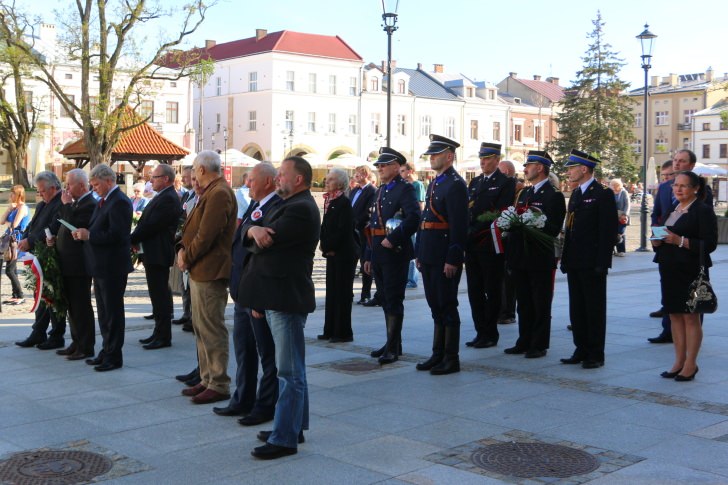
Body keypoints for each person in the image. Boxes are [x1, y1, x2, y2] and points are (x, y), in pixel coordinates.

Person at [238, 156, 321, 460]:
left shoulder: (300, 208)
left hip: (285, 297)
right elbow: (250, 231)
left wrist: (255, 232)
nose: (278, 180)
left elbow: (266, 241)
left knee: (289, 372)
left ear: (298, 179)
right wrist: (251, 231)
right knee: (292, 368)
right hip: (277, 295)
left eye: (283, 175)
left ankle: (285, 437)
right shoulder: (288, 205)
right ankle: (294, 425)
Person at [214, 162, 280, 423]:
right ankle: (243, 398)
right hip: (242, 289)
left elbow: (265, 252)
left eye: (252, 180)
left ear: (267, 181)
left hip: (257, 293)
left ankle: (264, 407)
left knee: (267, 353)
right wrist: (250, 229)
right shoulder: (257, 205)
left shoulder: (275, 206)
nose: (247, 184)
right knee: (244, 348)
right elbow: (241, 232)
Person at [177, 150, 237, 403]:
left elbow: (206, 235)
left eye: (194, 169)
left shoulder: (220, 192)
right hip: (201, 269)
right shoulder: (210, 191)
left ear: (201, 169)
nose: (193, 175)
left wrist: (186, 256)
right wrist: (183, 249)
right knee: (200, 327)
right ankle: (206, 378)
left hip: (210, 270)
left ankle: (219, 382)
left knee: (211, 327)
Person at [652, 171, 717, 381]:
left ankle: (691, 364)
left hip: (690, 269)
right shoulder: (674, 208)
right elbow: (667, 233)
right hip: (669, 268)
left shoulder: (702, 210)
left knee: (690, 317)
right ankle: (678, 361)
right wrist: (657, 239)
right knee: (674, 316)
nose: (678, 189)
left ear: (695, 188)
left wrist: (679, 241)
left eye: (683, 186)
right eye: (675, 185)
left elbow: (709, 244)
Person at [503, 151, 565, 358]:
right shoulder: (525, 194)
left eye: (529, 165)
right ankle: (524, 340)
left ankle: (538, 344)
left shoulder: (553, 195)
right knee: (524, 302)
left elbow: (554, 228)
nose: (525, 168)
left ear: (540, 168)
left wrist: (533, 224)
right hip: (520, 256)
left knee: (540, 303)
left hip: (539, 258)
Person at [559, 150, 618, 369]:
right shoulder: (576, 194)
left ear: (584, 169)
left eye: (571, 168)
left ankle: (595, 353)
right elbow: (570, 229)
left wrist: (602, 263)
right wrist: (565, 258)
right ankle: (580, 348)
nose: (568, 172)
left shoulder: (603, 193)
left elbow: (607, 232)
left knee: (593, 308)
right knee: (577, 307)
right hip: (575, 260)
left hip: (592, 261)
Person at [415, 134, 468, 375]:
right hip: (430, 253)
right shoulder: (438, 181)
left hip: (443, 255)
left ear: (449, 156)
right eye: (430, 154)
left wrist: (453, 258)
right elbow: (426, 220)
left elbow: (459, 225)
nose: (431, 158)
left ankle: (451, 358)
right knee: (435, 305)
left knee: (447, 306)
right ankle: (437, 354)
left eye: (435, 154)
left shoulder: (456, 183)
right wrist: (419, 252)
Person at [363, 148, 421, 365]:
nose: (379, 168)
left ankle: (393, 347)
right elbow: (373, 224)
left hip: (393, 251)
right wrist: (369, 255)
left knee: (394, 299)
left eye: (383, 165)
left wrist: (394, 238)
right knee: (385, 299)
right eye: (378, 166)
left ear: (396, 166)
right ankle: (392, 342)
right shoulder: (381, 190)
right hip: (378, 250)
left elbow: (414, 218)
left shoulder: (404, 189)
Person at [73, 164, 133, 372]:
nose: (94, 188)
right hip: (100, 266)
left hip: (112, 266)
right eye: (92, 185)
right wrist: (83, 232)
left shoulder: (119, 202)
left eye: (96, 184)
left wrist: (89, 235)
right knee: (104, 312)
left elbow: (118, 235)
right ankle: (107, 350)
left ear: (109, 181)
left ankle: (114, 355)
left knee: (113, 312)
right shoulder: (105, 201)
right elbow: (99, 228)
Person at [649, 149, 712, 342]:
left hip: (690, 261)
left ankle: (691, 341)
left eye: (682, 161)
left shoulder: (702, 194)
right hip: (668, 259)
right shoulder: (665, 187)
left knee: (691, 309)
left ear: (691, 166)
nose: (676, 164)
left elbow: (705, 234)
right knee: (671, 303)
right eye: (675, 160)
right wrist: (656, 236)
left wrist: (680, 240)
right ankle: (668, 332)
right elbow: (658, 216)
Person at [464, 142, 515, 349]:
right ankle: (480, 331)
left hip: (489, 243)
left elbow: (500, 212)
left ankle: (490, 333)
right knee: (474, 290)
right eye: (481, 159)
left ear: (496, 159)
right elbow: (468, 208)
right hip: (472, 244)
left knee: (492, 290)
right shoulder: (475, 182)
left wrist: (475, 228)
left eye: (487, 159)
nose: (483, 162)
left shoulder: (505, 183)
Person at [132, 163, 183, 350]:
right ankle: (158, 332)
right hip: (152, 252)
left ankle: (163, 336)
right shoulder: (161, 196)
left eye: (155, 177)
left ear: (166, 179)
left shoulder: (169, 198)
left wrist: (131, 238)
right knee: (156, 294)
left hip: (159, 252)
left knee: (160, 295)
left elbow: (152, 225)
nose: (151, 180)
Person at [48, 169, 96, 360]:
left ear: (82, 186)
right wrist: (54, 239)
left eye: (69, 184)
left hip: (78, 265)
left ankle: (86, 346)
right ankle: (76, 342)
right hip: (67, 263)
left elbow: (74, 227)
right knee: (71, 307)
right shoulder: (75, 203)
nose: (66, 188)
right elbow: (63, 225)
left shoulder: (89, 204)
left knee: (81, 306)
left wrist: (67, 205)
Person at [15, 172, 65, 349]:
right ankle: (38, 332)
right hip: (38, 255)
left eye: (42, 191)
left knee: (53, 296)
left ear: (53, 188)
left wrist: (31, 240)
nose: (40, 194)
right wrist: (25, 238)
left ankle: (56, 335)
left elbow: (53, 227)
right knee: (41, 296)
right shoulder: (43, 204)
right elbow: (32, 225)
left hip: (53, 256)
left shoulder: (61, 203)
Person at [319, 168, 358, 343]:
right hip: (332, 254)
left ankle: (342, 332)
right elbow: (325, 227)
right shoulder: (330, 201)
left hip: (343, 254)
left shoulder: (343, 202)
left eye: (331, 180)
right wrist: (324, 246)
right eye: (327, 179)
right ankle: (329, 329)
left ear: (340, 183)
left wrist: (331, 246)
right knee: (332, 292)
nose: (327, 182)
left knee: (342, 293)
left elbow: (343, 230)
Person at [173, 166, 196, 330]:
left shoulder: (199, 196)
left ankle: (193, 317)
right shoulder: (187, 195)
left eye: (188, 177)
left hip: (192, 244)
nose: (186, 180)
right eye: (186, 177)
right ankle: (186, 313)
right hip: (181, 242)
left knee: (191, 283)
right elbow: (181, 216)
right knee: (183, 283)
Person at [350, 165, 376, 305]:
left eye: (359, 173)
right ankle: (349, 292)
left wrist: (358, 223)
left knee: (365, 262)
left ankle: (365, 294)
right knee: (351, 262)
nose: (356, 176)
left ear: (366, 174)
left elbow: (369, 211)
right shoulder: (354, 190)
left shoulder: (372, 191)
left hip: (363, 231)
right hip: (351, 232)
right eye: (356, 173)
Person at [497, 160, 518, 325]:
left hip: (510, 239)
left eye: (502, 171)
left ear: (509, 172)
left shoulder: (516, 188)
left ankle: (508, 311)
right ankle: (500, 309)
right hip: (498, 237)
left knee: (508, 278)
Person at [1, 185, 30, 305]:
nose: (10, 195)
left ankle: (20, 295)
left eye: (13, 193)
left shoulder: (22, 208)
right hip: (8, 239)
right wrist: (8, 209)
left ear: (19, 195)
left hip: (15, 240)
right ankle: (15, 295)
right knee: (13, 268)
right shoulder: (13, 207)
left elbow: (14, 225)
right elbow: (1, 221)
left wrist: (8, 222)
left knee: (9, 270)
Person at [400, 163, 425, 289]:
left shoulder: (417, 185)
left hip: (414, 221)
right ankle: (405, 277)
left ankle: (412, 279)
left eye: (403, 171)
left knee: (413, 250)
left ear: (410, 171)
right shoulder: (405, 185)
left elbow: (421, 204)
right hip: (404, 220)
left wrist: (418, 221)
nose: (401, 173)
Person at [610, 178, 630, 257]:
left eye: (615, 185)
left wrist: (625, 214)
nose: (614, 187)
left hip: (622, 216)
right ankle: (612, 250)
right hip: (612, 216)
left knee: (620, 232)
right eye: (613, 185)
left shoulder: (624, 192)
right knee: (611, 232)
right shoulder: (610, 192)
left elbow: (627, 204)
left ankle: (621, 250)